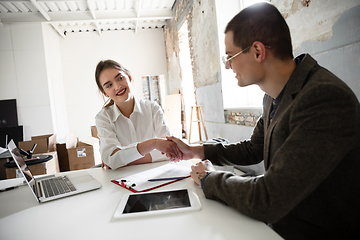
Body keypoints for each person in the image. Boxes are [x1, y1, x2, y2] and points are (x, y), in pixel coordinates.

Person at [167, 2, 360, 239]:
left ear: (258, 51)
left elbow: (269, 197)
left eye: (230, 56)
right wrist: (194, 151)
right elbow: (254, 148)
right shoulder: (275, 95)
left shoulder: (324, 98)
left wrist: (209, 178)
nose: (227, 66)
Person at [95, 59, 181, 169]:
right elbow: (112, 159)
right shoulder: (103, 117)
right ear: (104, 93)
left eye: (120, 78)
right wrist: (153, 144)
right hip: (122, 180)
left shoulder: (152, 108)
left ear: (129, 78)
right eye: (109, 85)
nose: (117, 86)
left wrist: (123, 160)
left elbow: (172, 150)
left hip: (156, 176)